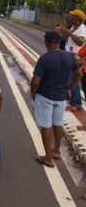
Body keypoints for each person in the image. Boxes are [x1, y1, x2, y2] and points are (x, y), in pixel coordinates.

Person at [31, 31, 82, 167]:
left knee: (46, 126)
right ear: (59, 42)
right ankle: (57, 152)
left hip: (45, 96)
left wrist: (33, 93)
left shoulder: (44, 59)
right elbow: (79, 74)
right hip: (61, 97)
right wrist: (69, 87)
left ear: (47, 42)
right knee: (57, 124)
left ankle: (48, 158)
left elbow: (36, 80)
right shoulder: (69, 57)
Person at [55, 9, 86, 111]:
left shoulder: (82, 29)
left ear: (78, 19)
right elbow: (66, 37)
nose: (69, 17)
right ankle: (78, 104)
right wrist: (62, 30)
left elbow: (80, 43)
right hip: (70, 55)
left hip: (76, 58)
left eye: (72, 15)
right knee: (72, 80)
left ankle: (74, 104)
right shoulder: (74, 27)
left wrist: (69, 32)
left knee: (73, 80)